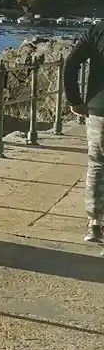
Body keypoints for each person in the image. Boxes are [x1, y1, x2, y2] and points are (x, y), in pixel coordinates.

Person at [63, 30, 104, 243]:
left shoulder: (96, 31)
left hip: (99, 109)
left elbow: (70, 64)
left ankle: (95, 225)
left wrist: (74, 100)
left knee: (97, 164)